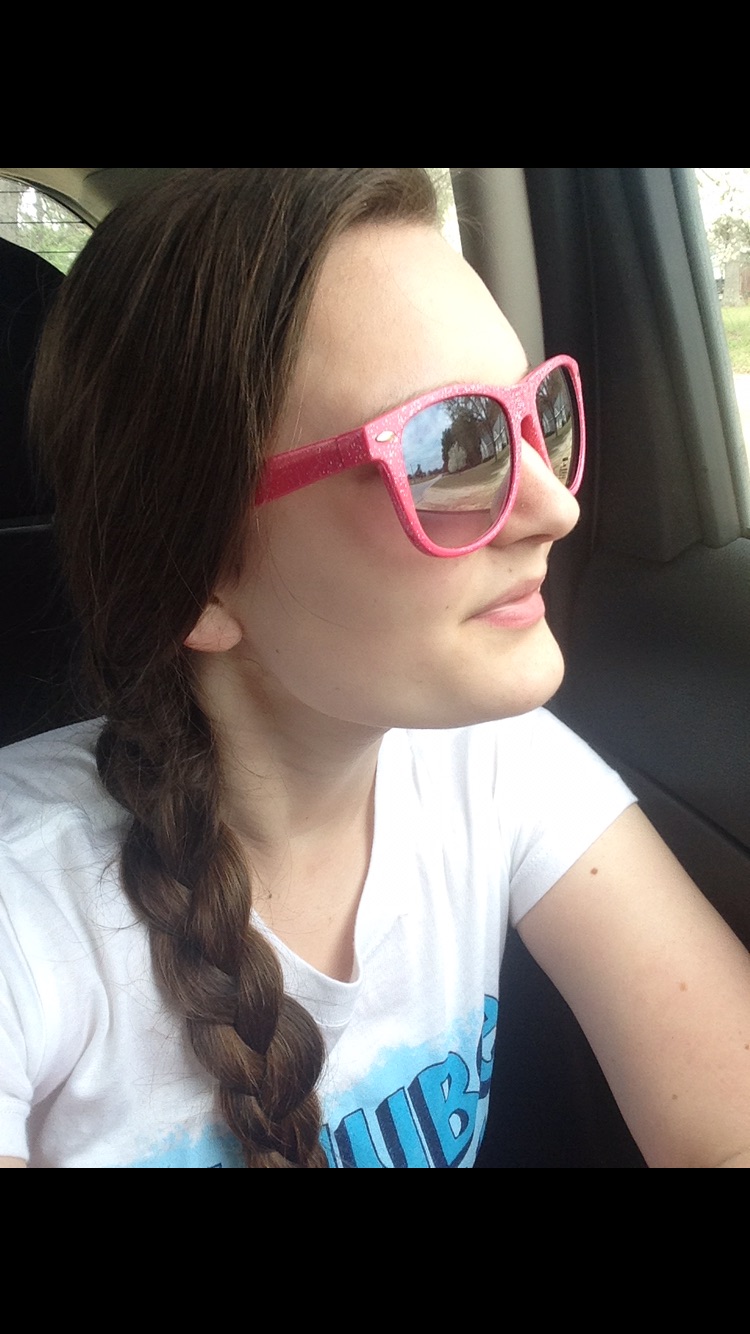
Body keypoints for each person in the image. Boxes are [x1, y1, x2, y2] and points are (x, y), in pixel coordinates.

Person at [1, 168, 749, 1169]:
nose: (556, 508)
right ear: (199, 580)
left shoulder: (495, 763)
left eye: (539, 413)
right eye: (449, 446)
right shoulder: (26, 914)